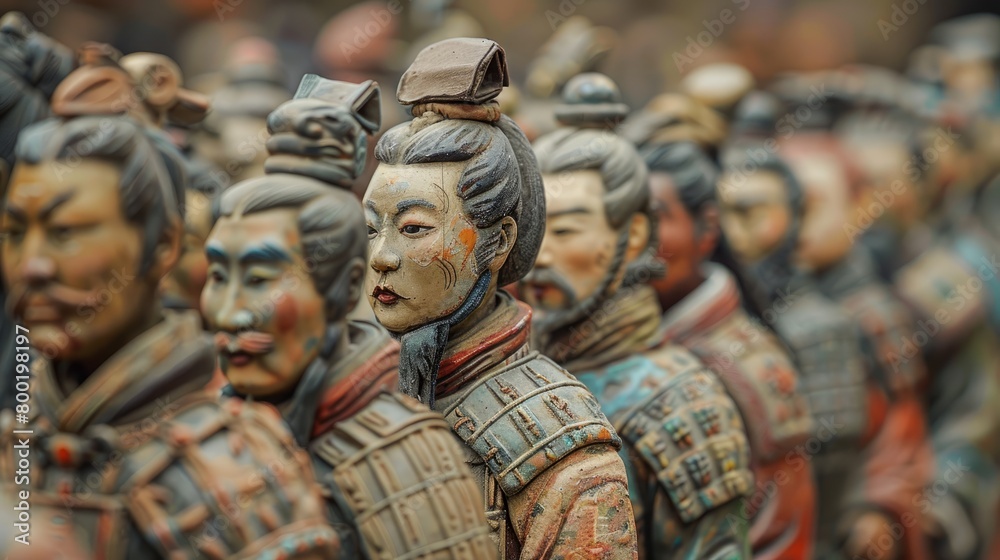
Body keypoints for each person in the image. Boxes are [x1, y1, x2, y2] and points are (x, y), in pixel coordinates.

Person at [0, 63, 338, 559]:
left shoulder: (245, 477)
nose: (31, 266)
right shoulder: (22, 437)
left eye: (65, 232)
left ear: (163, 246)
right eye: (12, 233)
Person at [363, 38, 637, 559]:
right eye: (372, 229)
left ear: (501, 240)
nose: (382, 256)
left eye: (415, 228)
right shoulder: (360, 390)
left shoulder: (560, 438)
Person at [201, 74, 495, 559]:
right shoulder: (197, 428)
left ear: (341, 285)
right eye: (217, 275)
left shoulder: (410, 461)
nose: (229, 314)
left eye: (258, 280)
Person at [523, 73, 754, 559]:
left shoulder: (684, 402)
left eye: (565, 232)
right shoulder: (519, 374)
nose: (539, 256)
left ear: (631, 238)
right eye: (536, 232)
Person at [719, 152, 933, 560]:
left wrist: (874, 503)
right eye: (725, 213)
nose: (737, 232)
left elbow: (896, 431)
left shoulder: (844, 322)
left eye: (753, 212)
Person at [632, 133, 817, 558]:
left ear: (707, 228)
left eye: (656, 220)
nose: (637, 241)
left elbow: (781, 532)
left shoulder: (747, 363)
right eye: (625, 221)